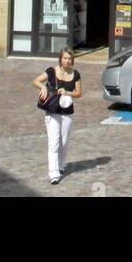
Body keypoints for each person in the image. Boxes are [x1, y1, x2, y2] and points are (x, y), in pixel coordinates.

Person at [33, 47, 82, 184]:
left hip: (67, 111)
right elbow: (35, 80)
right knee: (53, 142)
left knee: (64, 141)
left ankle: (61, 165)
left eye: (70, 58)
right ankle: (53, 173)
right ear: (60, 59)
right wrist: (43, 87)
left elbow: (79, 93)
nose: (67, 61)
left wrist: (67, 92)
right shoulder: (52, 71)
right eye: (65, 58)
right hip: (53, 111)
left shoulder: (75, 74)